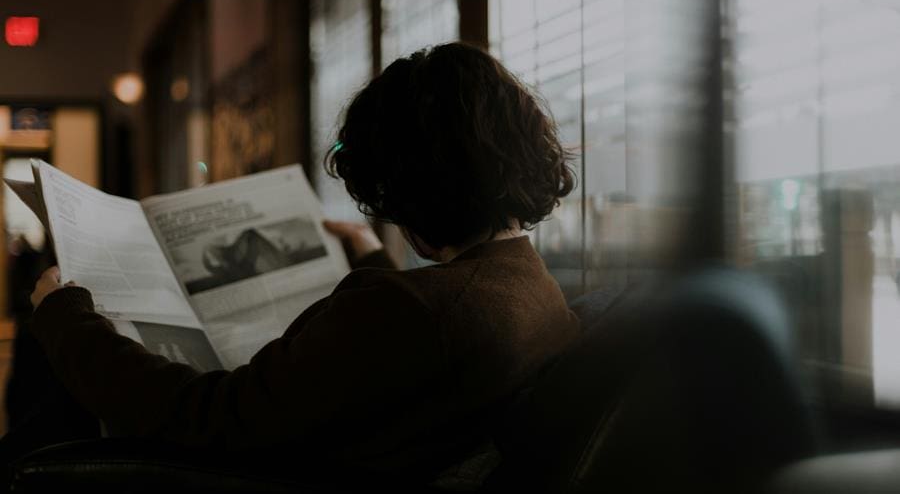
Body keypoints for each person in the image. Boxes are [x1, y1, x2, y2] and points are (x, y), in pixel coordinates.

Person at [9, 42, 580, 489]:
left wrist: (65, 319)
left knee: (47, 345)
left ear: (405, 187)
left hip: (245, 470)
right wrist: (370, 254)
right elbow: (420, 332)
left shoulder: (405, 310)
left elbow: (204, 420)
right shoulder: (528, 287)